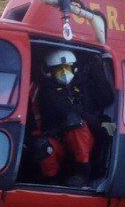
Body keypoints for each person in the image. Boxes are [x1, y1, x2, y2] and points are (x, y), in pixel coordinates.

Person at [27, 50, 97, 186]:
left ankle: (83, 172)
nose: (64, 72)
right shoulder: (46, 92)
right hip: (58, 140)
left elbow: (89, 113)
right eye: (59, 69)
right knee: (41, 146)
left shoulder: (81, 89)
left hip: (82, 142)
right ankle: (52, 181)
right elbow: (60, 109)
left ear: (74, 68)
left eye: (66, 68)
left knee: (75, 123)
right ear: (49, 71)